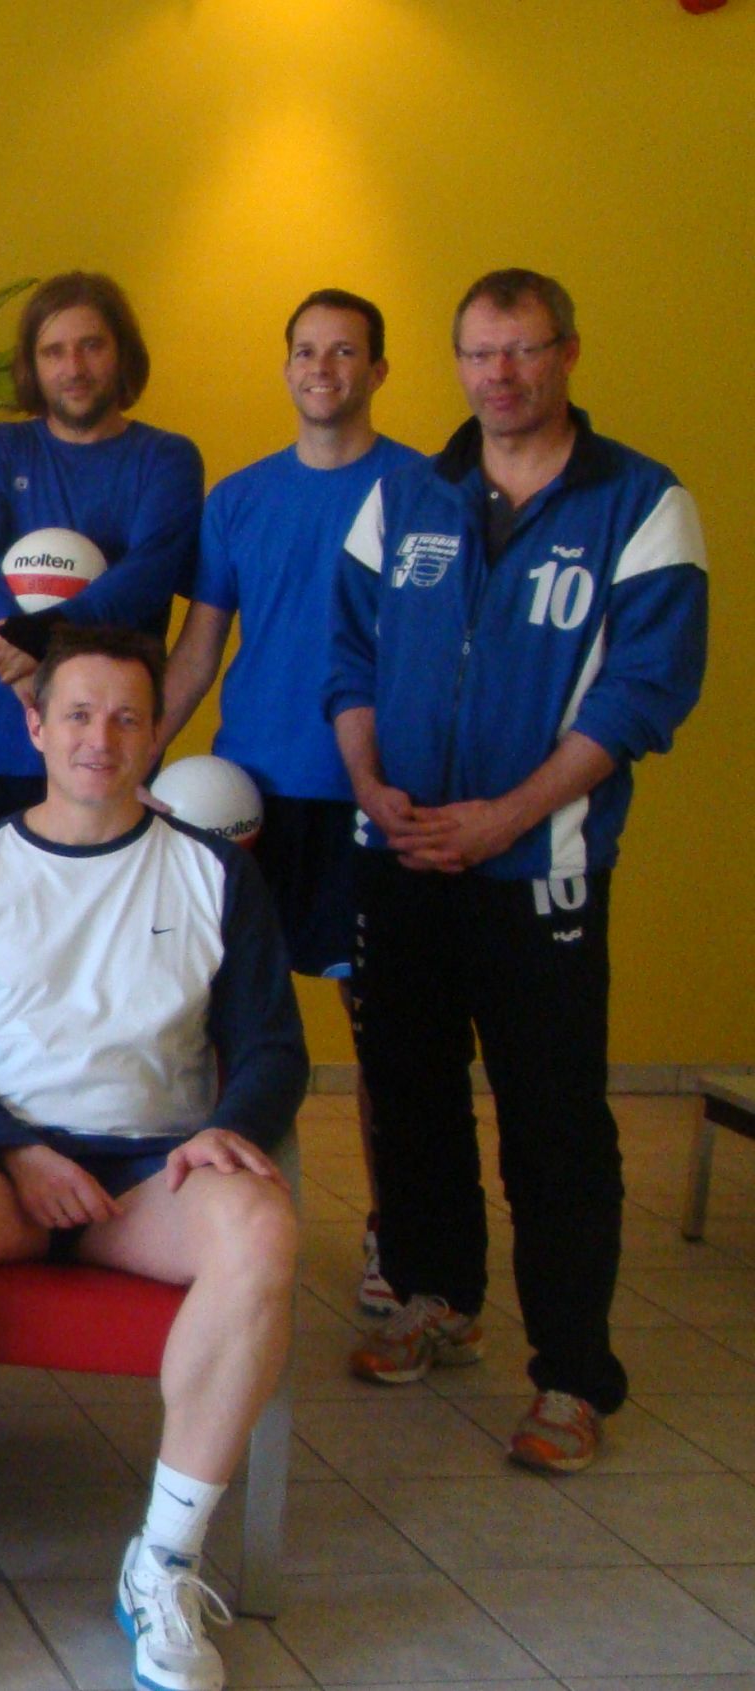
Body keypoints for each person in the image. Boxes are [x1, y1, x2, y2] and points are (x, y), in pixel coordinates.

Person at [0, 625, 304, 1691]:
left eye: (125, 718)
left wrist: (230, 1123)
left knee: (262, 1225)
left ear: (156, 734)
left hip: (152, 1181)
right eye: (76, 713)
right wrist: (15, 1150)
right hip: (2, 1176)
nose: (98, 738)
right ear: (35, 724)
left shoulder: (214, 874)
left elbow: (272, 1046)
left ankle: (165, 1562)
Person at [332, 269, 708, 1473]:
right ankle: (437, 1297)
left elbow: (643, 696)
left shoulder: (642, 504)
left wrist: (506, 818)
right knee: (410, 1092)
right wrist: (369, 783)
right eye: (480, 353)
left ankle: (573, 1375)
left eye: (524, 350)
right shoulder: (406, 494)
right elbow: (349, 656)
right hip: (401, 855)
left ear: (568, 354)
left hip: (540, 869)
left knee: (554, 1126)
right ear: (457, 364)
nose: (500, 375)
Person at [159, 288, 423, 1320]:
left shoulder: (425, 491)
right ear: (286, 367)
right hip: (245, 802)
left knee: (387, 1034)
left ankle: (397, 1236)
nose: (323, 368)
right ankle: (219, 1223)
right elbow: (197, 652)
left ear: (378, 370)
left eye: (344, 351)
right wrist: (139, 760)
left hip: (371, 798)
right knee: (227, 1027)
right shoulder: (239, 499)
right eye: (307, 351)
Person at [0, 272, 204, 836]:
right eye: (53, 351)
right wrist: (22, 657)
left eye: (91, 346)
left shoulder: (167, 459)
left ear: (123, 353)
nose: (74, 368)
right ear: (32, 366)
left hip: (109, 757)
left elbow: (148, 574)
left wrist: (46, 639)